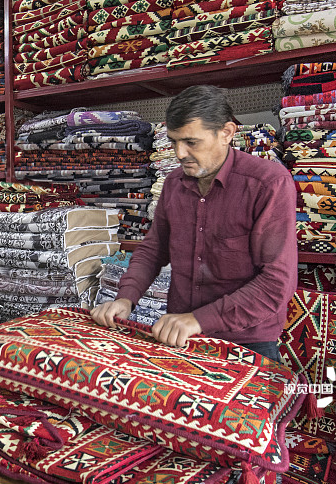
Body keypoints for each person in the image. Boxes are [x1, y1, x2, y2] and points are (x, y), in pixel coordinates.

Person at [91, 85, 297, 362]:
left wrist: (197, 320)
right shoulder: (174, 184)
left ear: (226, 133)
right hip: (182, 334)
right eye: (174, 141)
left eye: (191, 142)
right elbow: (153, 250)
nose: (179, 153)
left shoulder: (268, 183)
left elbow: (276, 283)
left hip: (246, 340)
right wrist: (126, 298)